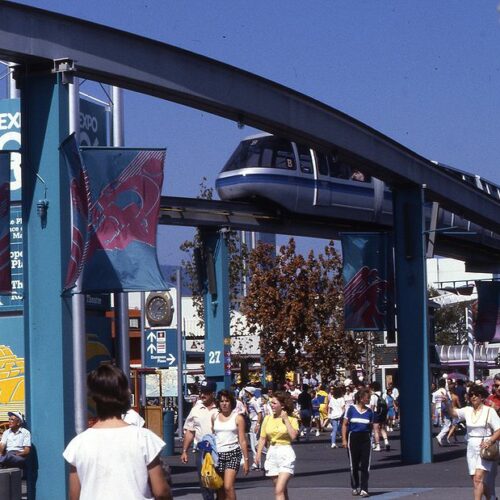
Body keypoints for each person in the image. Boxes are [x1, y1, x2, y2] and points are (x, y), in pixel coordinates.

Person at [63, 364, 171, 500]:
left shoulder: (78, 444)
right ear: (125, 394)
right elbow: (161, 491)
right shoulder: (143, 438)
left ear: (93, 397)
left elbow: (74, 496)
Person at [449, 383, 500, 500]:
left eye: (476, 395)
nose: (473, 397)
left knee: (478, 478)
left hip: (485, 447)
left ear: (482, 397)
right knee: (476, 480)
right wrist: (447, 403)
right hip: (471, 447)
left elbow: (498, 429)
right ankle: (492, 498)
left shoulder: (489, 411)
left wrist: (490, 441)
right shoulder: (467, 410)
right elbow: (453, 413)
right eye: (471, 394)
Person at [255, 391, 299, 500]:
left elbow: (293, 436)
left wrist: (285, 419)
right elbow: (262, 438)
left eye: (274, 403)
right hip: (272, 453)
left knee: (278, 490)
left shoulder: (292, 419)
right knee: (282, 490)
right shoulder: (267, 419)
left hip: (285, 452)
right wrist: (258, 454)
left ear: (282, 405)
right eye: (271, 403)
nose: (272, 405)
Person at [181, 380, 219, 500]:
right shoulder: (196, 409)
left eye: (206, 392)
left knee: (220, 484)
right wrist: (184, 451)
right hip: (202, 451)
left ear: (213, 393)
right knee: (205, 483)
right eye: (201, 392)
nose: (203, 395)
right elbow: (190, 430)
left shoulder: (220, 409)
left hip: (219, 450)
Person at [212, 390, 249, 500]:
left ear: (231, 402)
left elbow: (242, 440)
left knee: (228, 486)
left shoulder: (237, 418)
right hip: (218, 455)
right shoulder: (214, 417)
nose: (224, 403)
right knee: (219, 487)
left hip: (233, 453)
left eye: (227, 401)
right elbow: (213, 435)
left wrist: (246, 460)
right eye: (222, 401)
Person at [342, 387, 373, 498]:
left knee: (365, 465)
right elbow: (345, 424)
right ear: (360, 398)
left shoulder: (369, 411)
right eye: (367, 398)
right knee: (354, 465)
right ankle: (355, 486)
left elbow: (371, 427)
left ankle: (364, 488)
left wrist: (372, 440)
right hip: (353, 438)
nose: (368, 399)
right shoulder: (350, 409)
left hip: (365, 439)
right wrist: (344, 440)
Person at [369, 381, 389, 451]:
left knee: (376, 430)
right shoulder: (384, 394)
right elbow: (387, 405)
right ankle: (386, 442)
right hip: (383, 413)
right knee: (382, 428)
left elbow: (372, 406)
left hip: (376, 413)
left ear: (373, 388)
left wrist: (370, 415)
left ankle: (378, 446)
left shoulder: (373, 396)